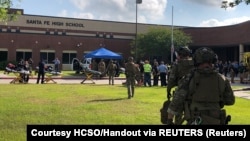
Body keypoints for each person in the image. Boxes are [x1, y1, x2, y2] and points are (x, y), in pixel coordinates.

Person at [166, 47, 235, 125]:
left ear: (196, 61)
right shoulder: (222, 79)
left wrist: (169, 120)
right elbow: (230, 101)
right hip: (216, 119)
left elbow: (176, 102)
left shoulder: (189, 78)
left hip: (196, 120)